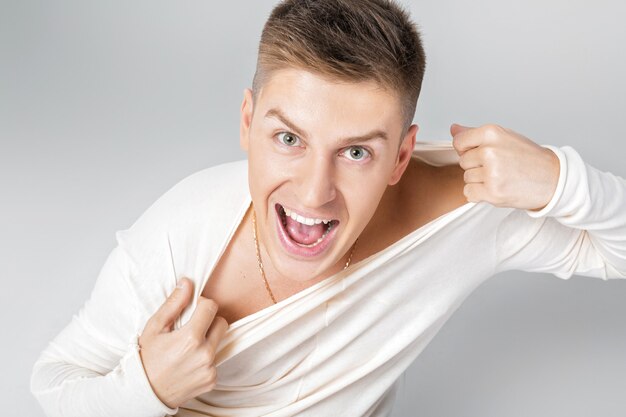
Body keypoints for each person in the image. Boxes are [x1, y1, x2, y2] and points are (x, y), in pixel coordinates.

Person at [30, 0, 626, 416]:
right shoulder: (182, 233)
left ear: (401, 157)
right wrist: (148, 389)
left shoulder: (468, 215)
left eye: (357, 152)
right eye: (288, 139)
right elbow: (53, 388)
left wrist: (559, 180)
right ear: (247, 122)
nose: (314, 193)